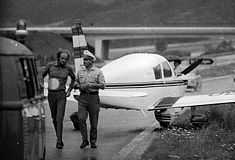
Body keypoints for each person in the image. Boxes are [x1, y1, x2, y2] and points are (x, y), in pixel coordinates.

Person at [42, 48, 75, 149]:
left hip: (61, 94)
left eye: (66, 59)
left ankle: (59, 140)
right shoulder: (50, 66)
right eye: (62, 58)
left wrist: (69, 90)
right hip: (51, 94)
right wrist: (41, 86)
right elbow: (41, 75)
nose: (64, 61)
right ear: (58, 57)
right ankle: (58, 135)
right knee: (54, 118)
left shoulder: (68, 68)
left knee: (59, 118)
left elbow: (73, 78)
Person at [74, 50, 106, 149]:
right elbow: (75, 83)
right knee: (81, 119)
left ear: (92, 61)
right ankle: (84, 141)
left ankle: (93, 141)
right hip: (82, 97)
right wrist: (80, 86)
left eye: (87, 60)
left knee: (94, 122)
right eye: (84, 60)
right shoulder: (80, 71)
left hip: (93, 97)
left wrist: (92, 85)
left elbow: (103, 85)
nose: (84, 61)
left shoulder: (98, 72)